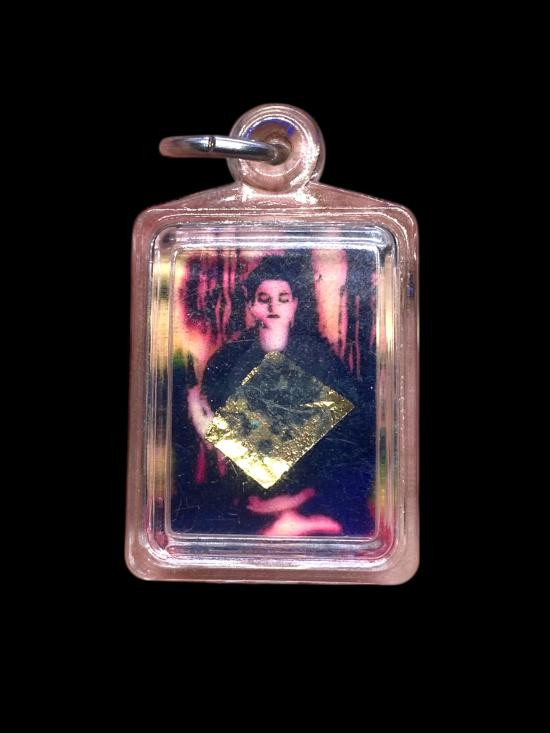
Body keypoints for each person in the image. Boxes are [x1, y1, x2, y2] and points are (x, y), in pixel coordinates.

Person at [173, 255, 376, 537]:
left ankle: (296, 516)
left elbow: (350, 438)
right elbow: (215, 435)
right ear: (251, 305)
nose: (273, 308)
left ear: (294, 305)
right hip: (245, 497)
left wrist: (218, 433)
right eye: (263, 299)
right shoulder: (229, 359)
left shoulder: (317, 358)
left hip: (312, 494)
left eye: (283, 299)